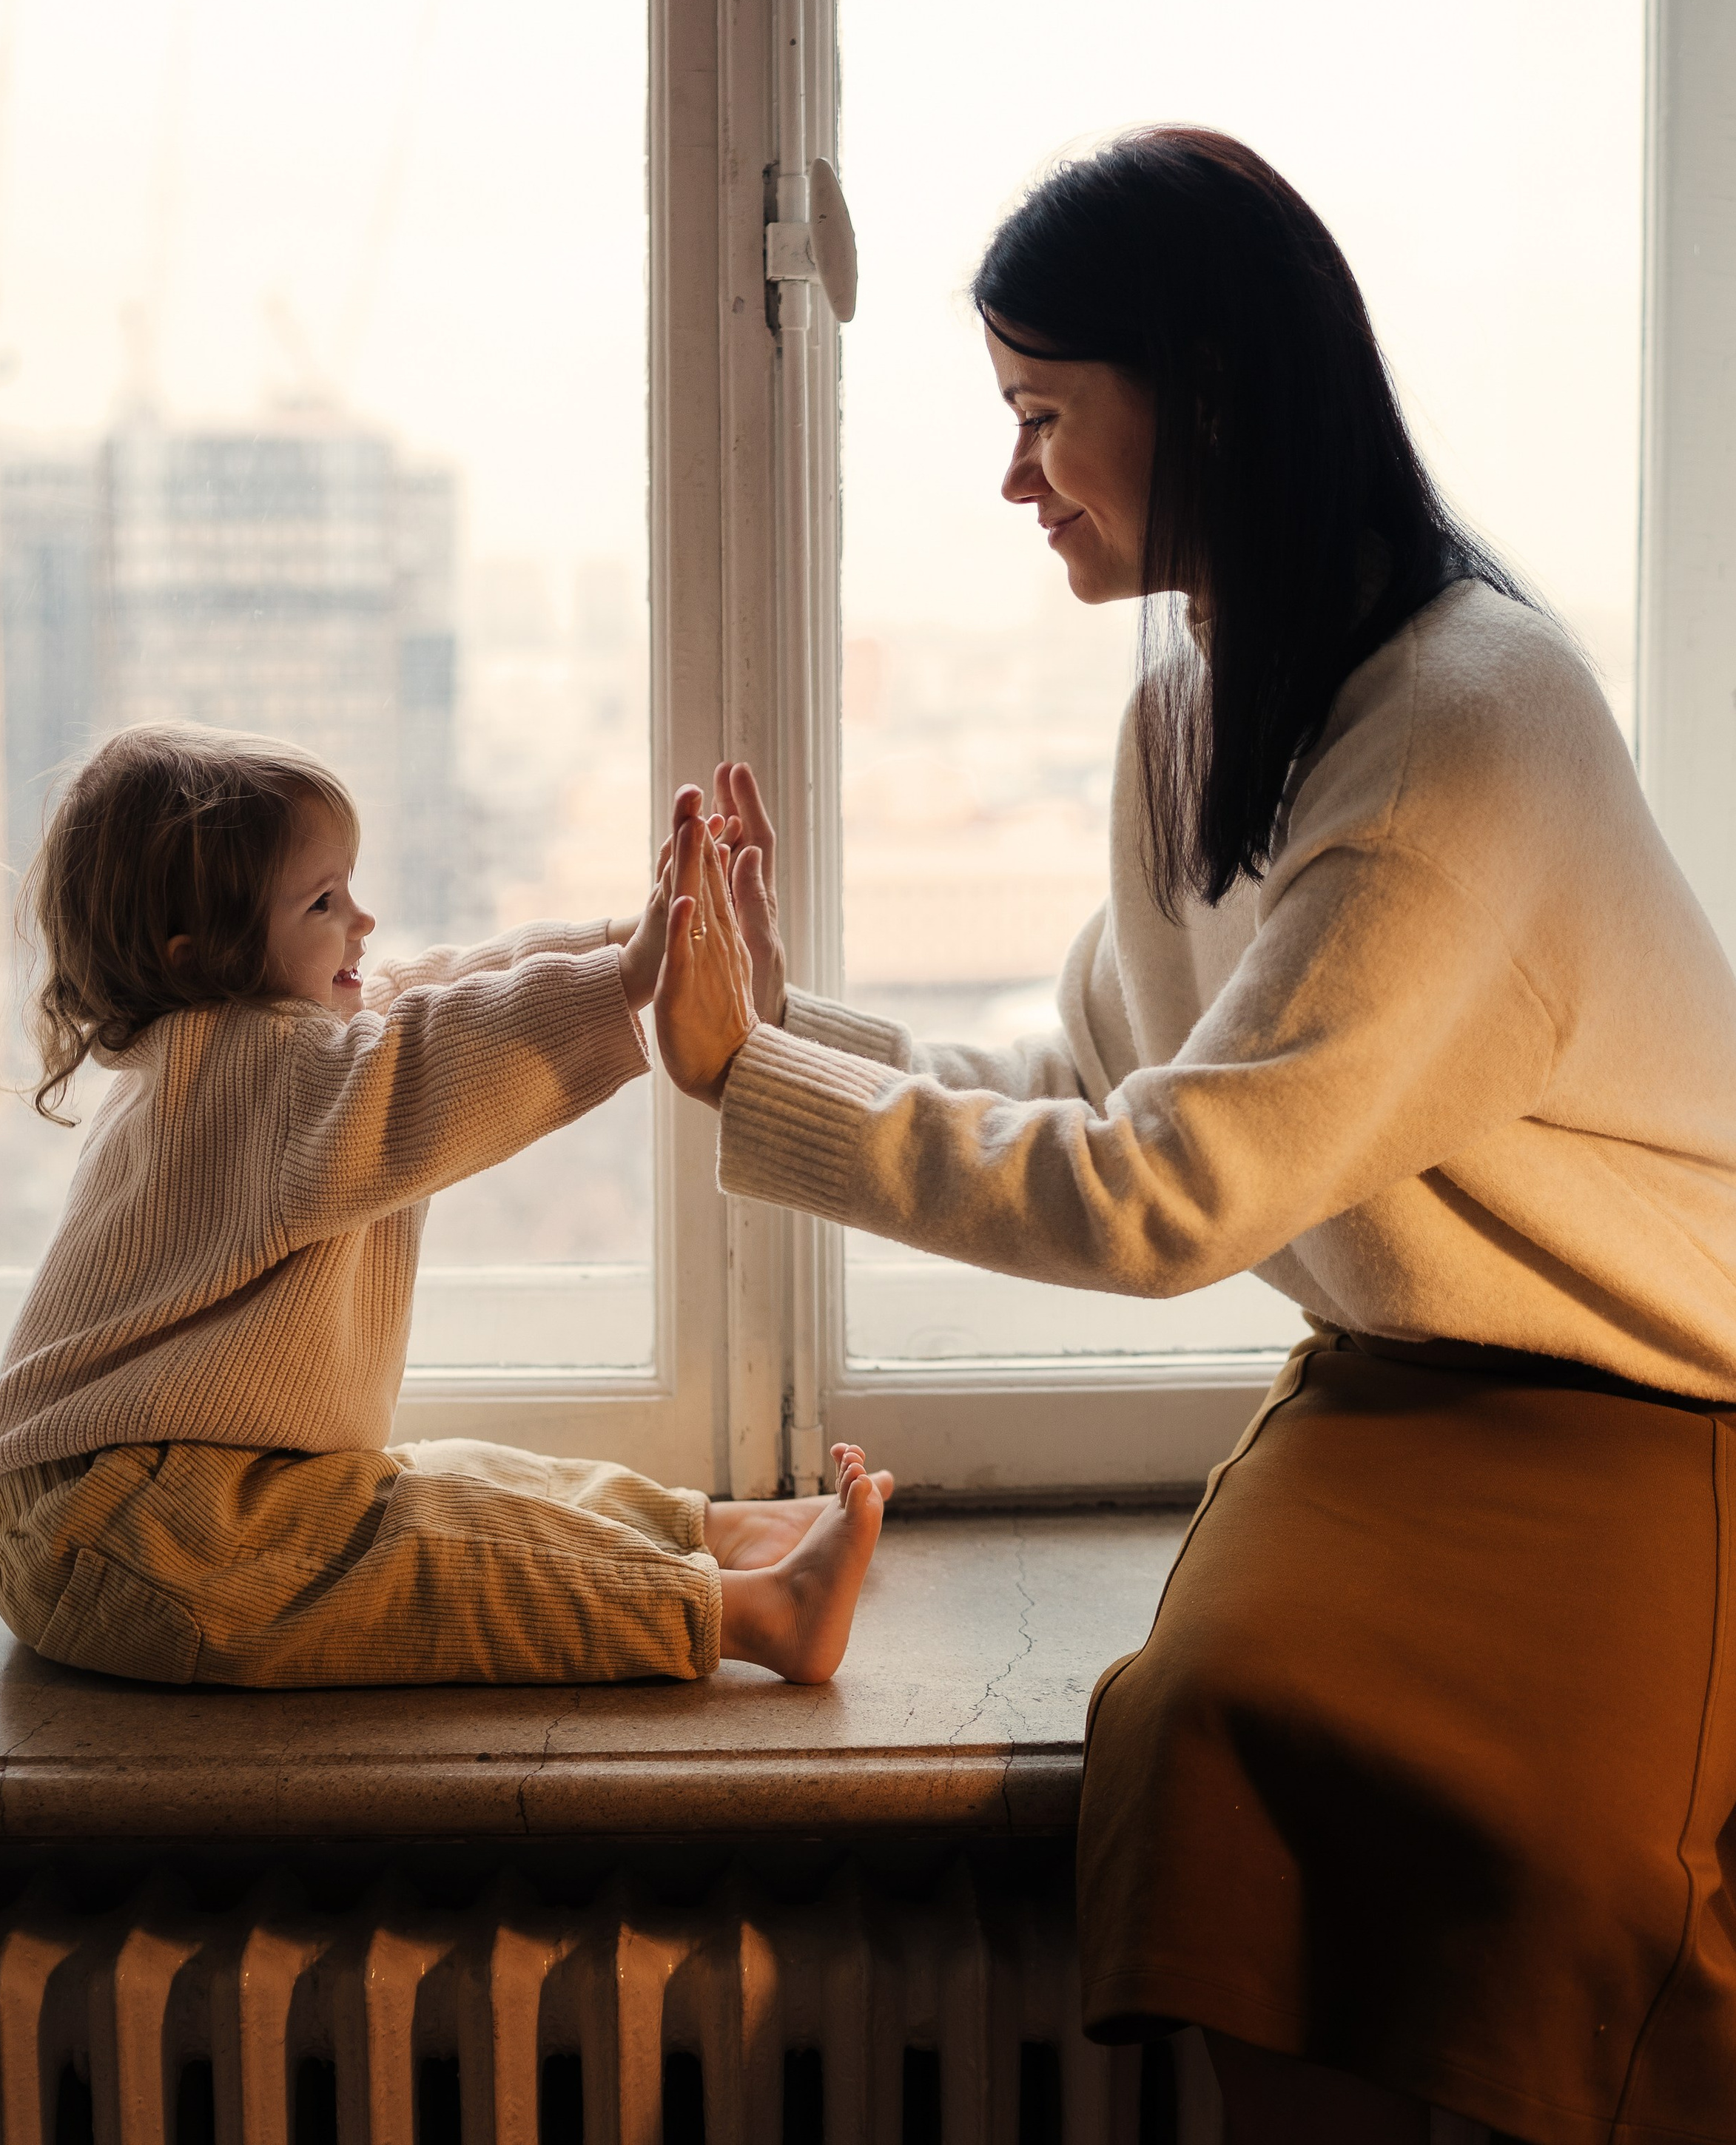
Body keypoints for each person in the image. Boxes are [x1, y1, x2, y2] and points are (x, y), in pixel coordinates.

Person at [650, 127, 1736, 2144]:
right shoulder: (1195, 713)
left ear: (1211, 397)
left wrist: (757, 1086)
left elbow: (1172, 1196)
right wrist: (776, 1032)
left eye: (1043, 415)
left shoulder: (1473, 728)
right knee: (1211, 1740)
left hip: (1652, 1403)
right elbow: (1093, 1089)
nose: (1013, 480)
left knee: (1566, 1876)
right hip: (1401, 1390)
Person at [0, 723, 886, 1690]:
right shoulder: (249, 1077)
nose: (363, 923)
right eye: (324, 902)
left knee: (452, 1484)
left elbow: (435, 988)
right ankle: (754, 1613)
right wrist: (622, 979)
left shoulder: (254, 1052)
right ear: (197, 958)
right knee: (426, 1554)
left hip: (168, 1485)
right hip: (109, 1526)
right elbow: (426, 1064)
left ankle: (712, 1533)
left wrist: (636, 939)